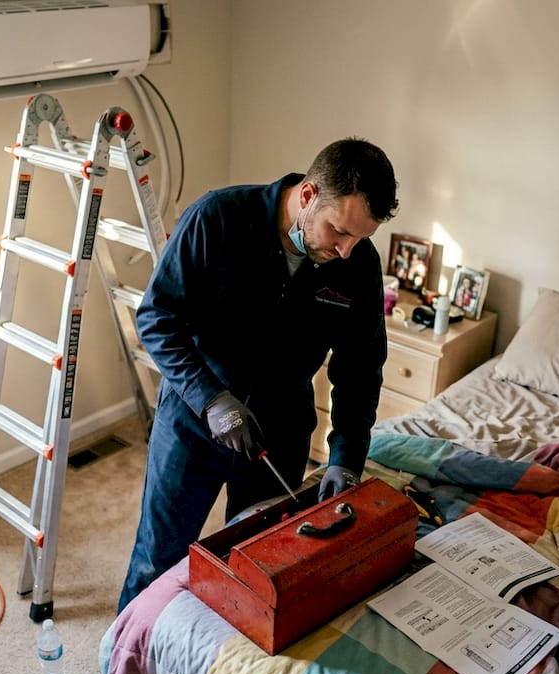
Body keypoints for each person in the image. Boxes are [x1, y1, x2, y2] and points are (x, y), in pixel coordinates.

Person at [116, 138, 399, 617]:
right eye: (339, 231)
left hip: (280, 433)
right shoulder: (217, 218)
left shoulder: (358, 266)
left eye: (360, 238)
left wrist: (346, 458)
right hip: (193, 420)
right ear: (308, 196)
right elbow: (157, 318)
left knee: (259, 568)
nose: (347, 250)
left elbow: (360, 369)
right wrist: (211, 399)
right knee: (158, 560)